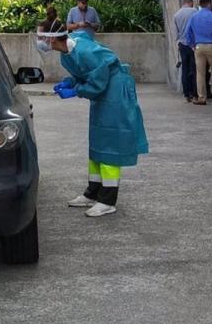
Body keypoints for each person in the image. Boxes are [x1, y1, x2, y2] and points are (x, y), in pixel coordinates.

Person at [36, 21, 148, 217]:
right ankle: (93, 193)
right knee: (97, 143)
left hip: (115, 95)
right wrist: (70, 82)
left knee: (110, 144)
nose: (39, 41)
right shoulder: (69, 51)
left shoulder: (86, 51)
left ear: (52, 38)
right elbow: (84, 74)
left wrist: (76, 90)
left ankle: (107, 200)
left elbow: (97, 81)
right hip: (104, 96)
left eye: (41, 37)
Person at [181, 0, 212, 105]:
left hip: (198, 47)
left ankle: (201, 97)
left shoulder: (194, 17)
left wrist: (192, 44)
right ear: (209, 4)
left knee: (200, 73)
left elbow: (187, 32)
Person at [173, 0, 199, 102]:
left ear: (183, 3)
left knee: (185, 68)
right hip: (193, 44)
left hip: (182, 44)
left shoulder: (176, 14)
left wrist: (178, 41)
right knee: (194, 69)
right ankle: (194, 92)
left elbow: (176, 33)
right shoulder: (195, 12)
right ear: (190, 3)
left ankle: (186, 93)